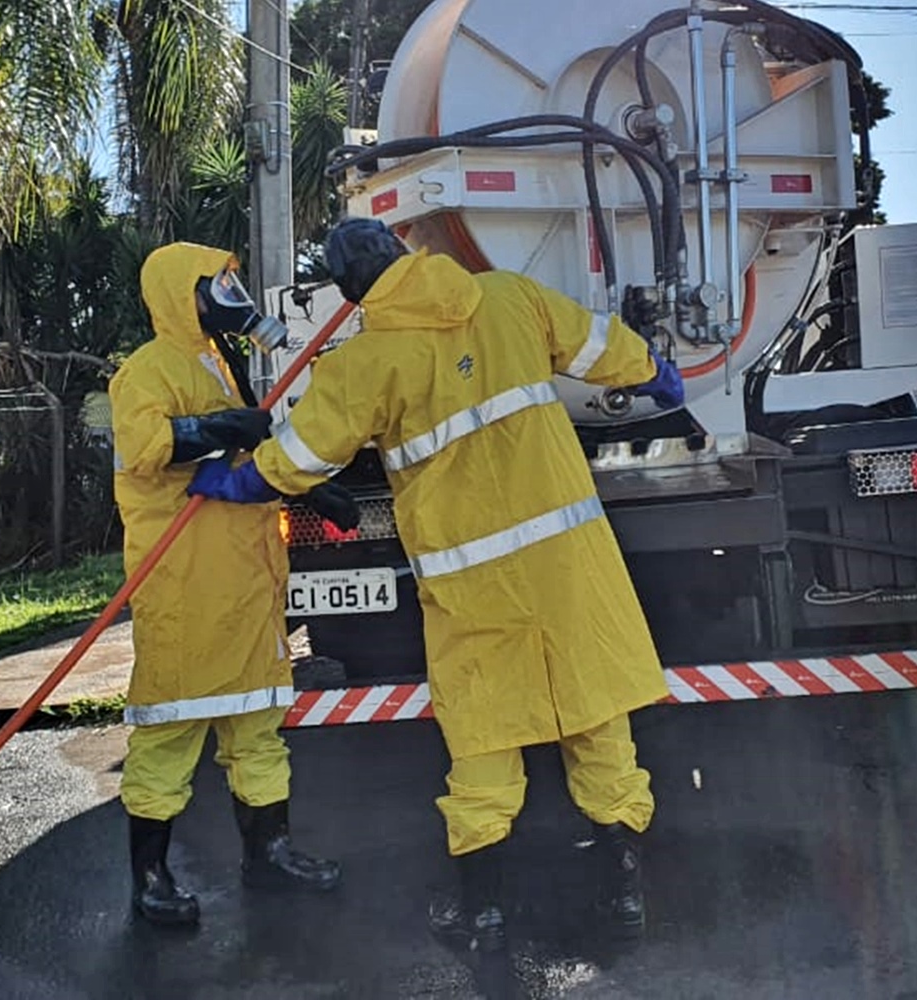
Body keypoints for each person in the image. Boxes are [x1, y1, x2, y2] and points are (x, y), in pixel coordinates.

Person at [188, 218, 684, 953]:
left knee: (482, 742)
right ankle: (625, 889)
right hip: (567, 570)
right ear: (402, 252)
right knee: (597, 722)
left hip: (471, 584)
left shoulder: (366, 363)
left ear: (353, 290)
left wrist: (237, 480)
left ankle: (482, 910)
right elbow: (603, 348)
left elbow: (299, 455)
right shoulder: (509, 298)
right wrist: (652, 369)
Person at [111, 242, 350, 928]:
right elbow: (145, 447)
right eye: (218, 282)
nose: (231, 292)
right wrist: (212, 428)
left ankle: (269, 853)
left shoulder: (221, 365)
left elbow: (256, 453)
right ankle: (151, 877)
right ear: (183, 292)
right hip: (184, 583)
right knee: (169, 732)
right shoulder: (146, 371)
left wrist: (314, 489)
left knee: (258, 727)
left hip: (246, 581)